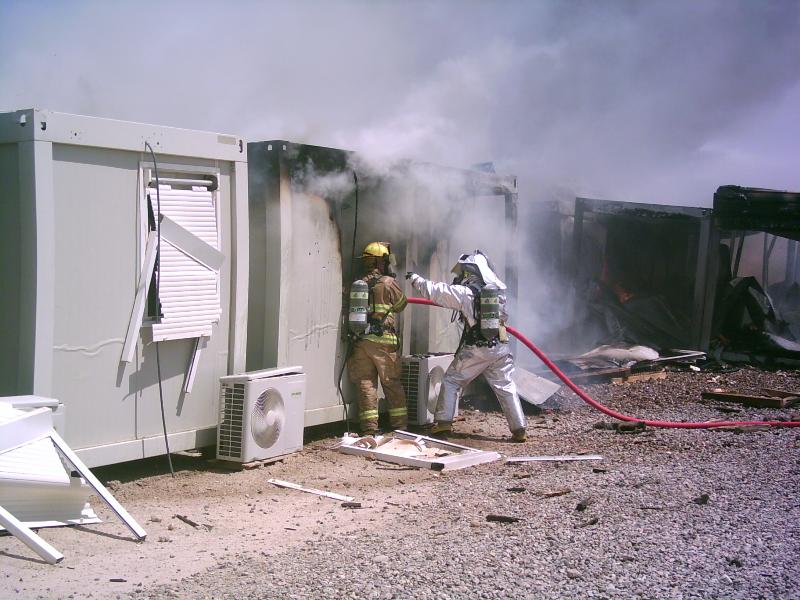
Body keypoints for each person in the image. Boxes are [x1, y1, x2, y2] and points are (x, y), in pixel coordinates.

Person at [406, 250, 527, 442]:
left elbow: (438, 292)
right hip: (500, 348)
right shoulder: (499, 293)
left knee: (451, 381)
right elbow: (503, 319)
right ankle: (519, 429)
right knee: (506, 385)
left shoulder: (466, 293)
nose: (460, 276)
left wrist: (415, 279)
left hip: (476, 349)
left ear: (470, 272)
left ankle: (443, 423)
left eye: (462, 272)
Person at [348, 242, 409, 435]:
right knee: (391, 383)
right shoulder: (388, 282)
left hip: (361, 341)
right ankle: (400, 427)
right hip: (384, 342)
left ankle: (369, 429)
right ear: (380, 261)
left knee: (365, 384)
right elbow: (401, 305)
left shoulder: (358, 284)